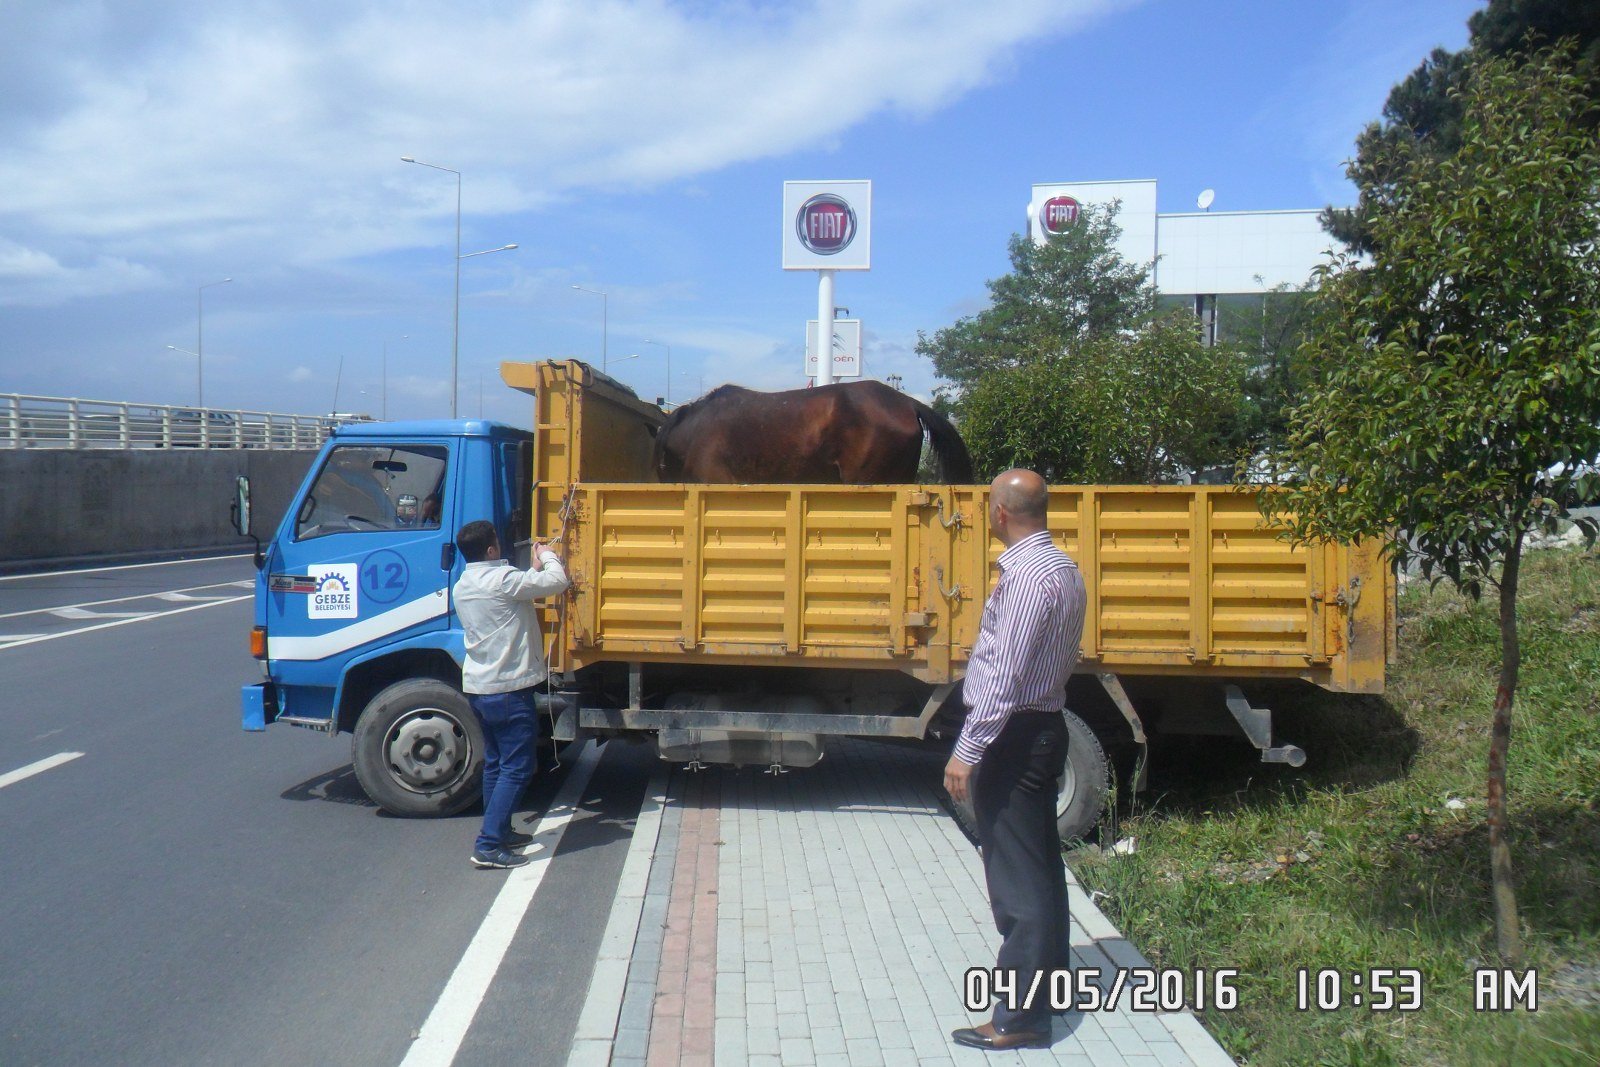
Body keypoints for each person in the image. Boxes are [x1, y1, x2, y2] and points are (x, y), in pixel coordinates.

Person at [945, 469, 1087, 1051]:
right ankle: (1047, 992)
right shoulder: (1063, 567)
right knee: (1041, 871)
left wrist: (966, 751)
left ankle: (1020, 1018)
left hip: (1014, 734)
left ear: (1000, 513)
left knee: (1017, 881)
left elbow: (1004, 676)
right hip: (1041, 726)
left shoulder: (1027, 577)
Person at [453, 519, 569, 870]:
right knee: (517, 768)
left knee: (496, 764)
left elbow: (514, 588)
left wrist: (530, 569)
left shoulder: (465, 584)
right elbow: (558, 581)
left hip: (479, 688)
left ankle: (500, 830)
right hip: (509, 690)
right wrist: (548, 556)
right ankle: (489, 845)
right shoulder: (503, 581)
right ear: (491, 549)